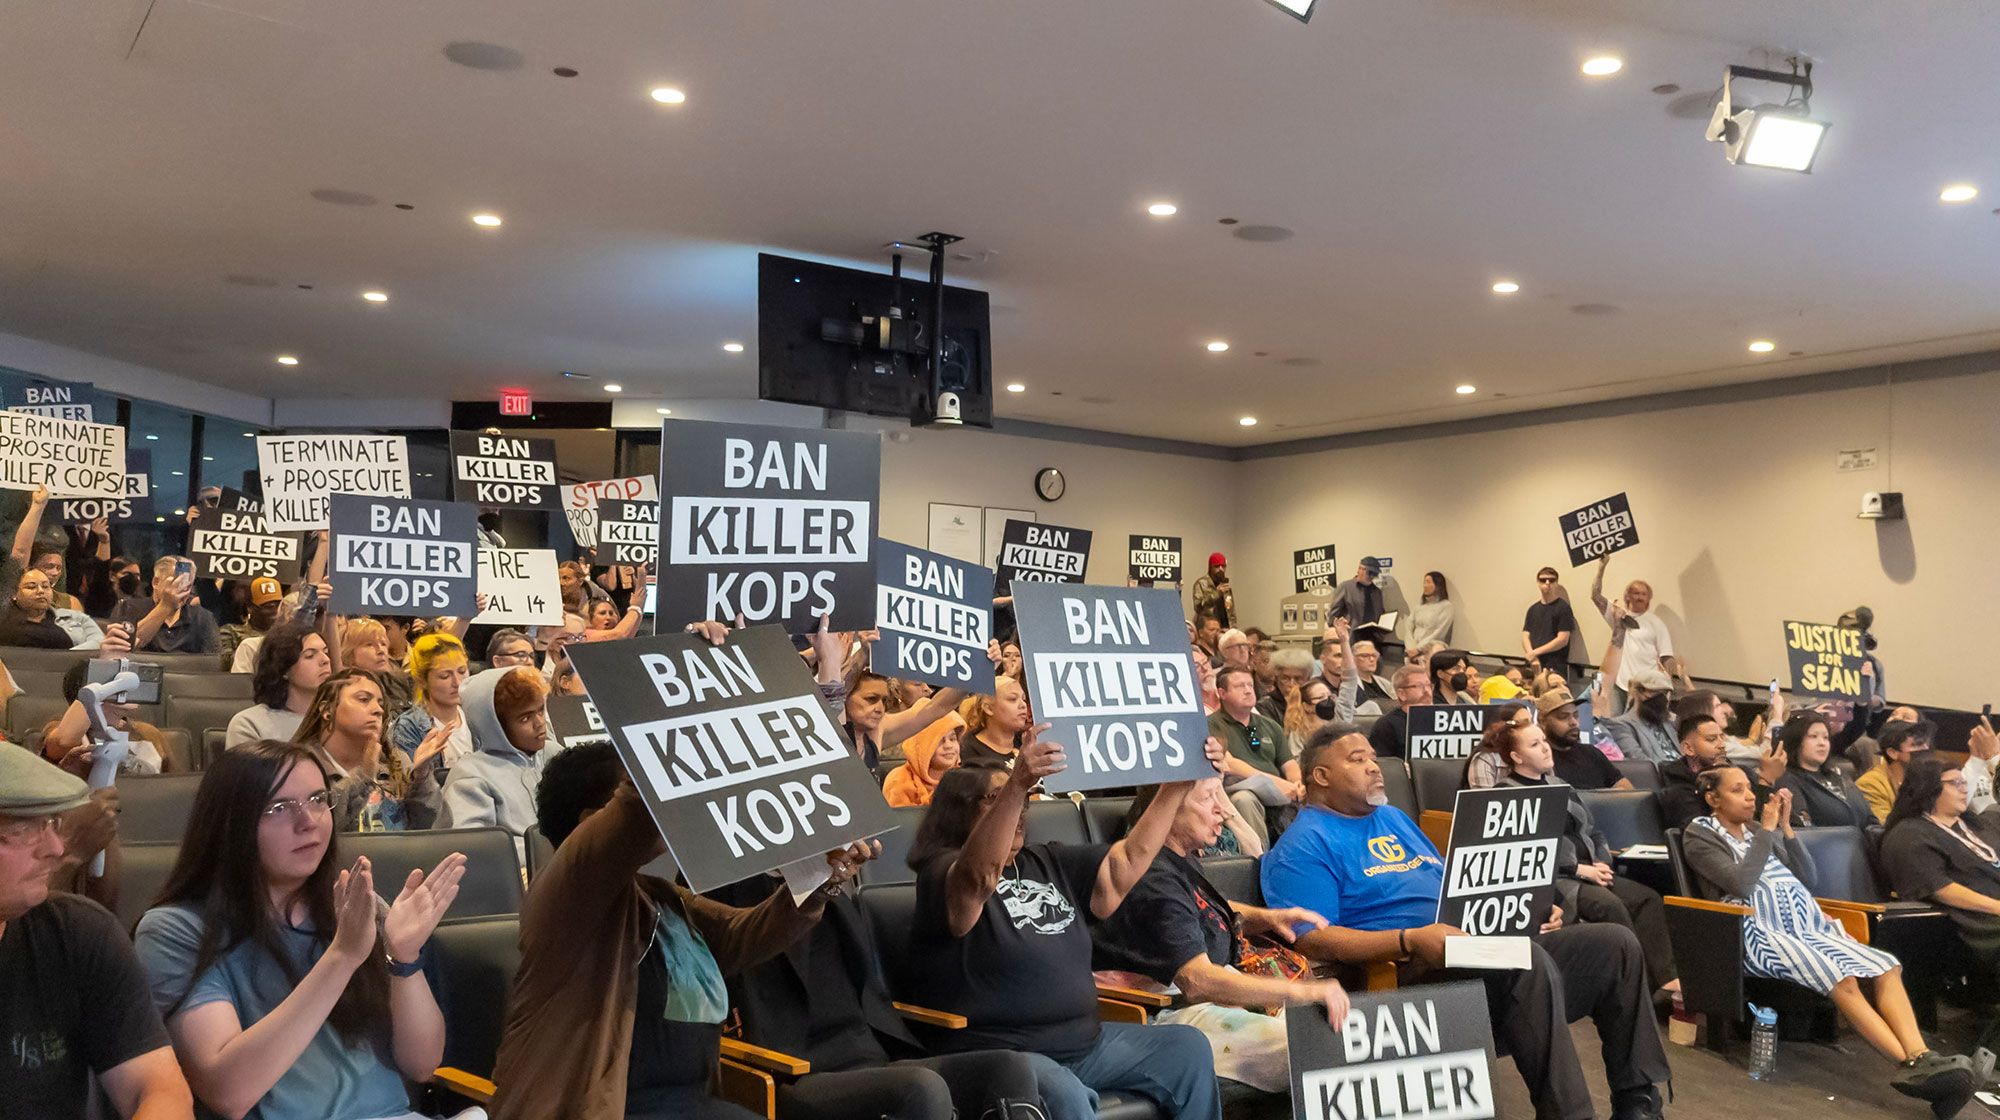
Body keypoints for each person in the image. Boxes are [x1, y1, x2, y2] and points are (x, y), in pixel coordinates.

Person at [1260, 723, 1670, 1120]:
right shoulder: (1303, 845)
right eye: (1357, 759)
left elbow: (1455, 888)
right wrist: (1409, 940)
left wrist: (1527, 908)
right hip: (1406, 975)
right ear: (1320, 776)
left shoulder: (1394, 820)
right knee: (1523, 960)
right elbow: (1315, 941)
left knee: (1614, 945)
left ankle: (1638, 1103)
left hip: (1475, 950)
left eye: (1372, 757)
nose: (1373, 766)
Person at [488, 738, 868, 1120]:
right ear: (591, 822)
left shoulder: (659, 895)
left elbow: (741, 935)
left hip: (693, 1102)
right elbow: (639, 811)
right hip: (605, 1108)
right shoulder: (568, 895)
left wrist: (816, 880)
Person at [902, 730, 1227, 1120]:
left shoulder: (1046, 861)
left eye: (1024, 801)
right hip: (1005, 1056)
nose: (1021, 810)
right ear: (959, 811)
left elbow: (1126, 862)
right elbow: (979, 875)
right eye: (998, 798)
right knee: (1063, 1093)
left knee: (1186, 1049)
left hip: (1089, 1046)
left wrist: (1176, 786)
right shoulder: (943, 873)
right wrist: (1018, 783)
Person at [133, 741, 467, 1120]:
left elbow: (423, 1065)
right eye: (279, 808)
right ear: (231, 823)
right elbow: (229, 1091)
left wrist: (403, 957)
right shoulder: (175, 930)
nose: (308, 821)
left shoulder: (353, 905)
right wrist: (341, 957)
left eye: (316, 799)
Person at [1689, 767, 1974, 1114]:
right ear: (1712, 799)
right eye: (1737, 790)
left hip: (1805, 923)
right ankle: (1911, 1066)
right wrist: (1766, 831)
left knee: (1886, 965)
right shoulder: (1700, 834)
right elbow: (1742, 884)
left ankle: (1922, 1056)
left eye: (1750, 788)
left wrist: (1786, 829)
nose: (1751, 796)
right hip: (1756, 930)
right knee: (1842, 977)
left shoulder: (1755, 831)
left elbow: (1808, 878)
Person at [1089, 777, 1349, 1096]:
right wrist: (1298, 994)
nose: (1222, 811)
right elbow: (1197, 982)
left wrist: (1267, 917)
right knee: (1324, 1050)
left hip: (1215, 1000)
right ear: (1167, 806)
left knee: (1343, 1035)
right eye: (1208, 798)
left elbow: (1200, 910)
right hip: (1170, 1016)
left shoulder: (1176, 858)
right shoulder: (1152, 878)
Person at [0, 742, 196, 1119]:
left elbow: (157, 1088)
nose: (56, 847)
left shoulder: (79, 933)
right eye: (25, 829)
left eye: (52, 823)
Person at [1494, 715, 1678, 995]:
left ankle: (1665, 981)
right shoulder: (1507, 794)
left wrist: (1602, 859)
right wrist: (1580, 869)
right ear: (1516, 756)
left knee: (1647, 900)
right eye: (1535, 744)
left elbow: (1593, 830)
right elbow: (1529, 850)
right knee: (1611, 906)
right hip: (1554, 881)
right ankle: (1633, 986)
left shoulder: (1559, 784)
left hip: (1593, 870)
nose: (1545, 748)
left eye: (1544, 741)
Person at [293, 669, 446, 832]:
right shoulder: (297, 769)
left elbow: (433, 829)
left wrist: (422, 777)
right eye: (364, 699)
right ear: (327, 710)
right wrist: (363, 777)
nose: (378, 710)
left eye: (380, 703)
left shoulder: (395, 761)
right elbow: (314, 830)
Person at [439, 666, 553, 838]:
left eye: (540, 710)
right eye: (525, 718)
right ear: (495, 727)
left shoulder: (555, 754)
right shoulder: (471, 774)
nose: (539, 723)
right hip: (519, 864)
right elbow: (475, 846)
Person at [41, 637, 174, 775]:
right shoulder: (58, 728)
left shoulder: (148, 733)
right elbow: (63, 741)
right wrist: (102, 681)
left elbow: (171, 783)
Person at [1210, 665, 1301, 847]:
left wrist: (1297, 784)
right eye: (1239, 686)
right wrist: (1279, 783)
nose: (1248, 690)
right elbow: (1230, 764)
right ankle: (1259, 861)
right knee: (1244, 799)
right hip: (1235, 787)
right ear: (1222, 693)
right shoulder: (1211, 724)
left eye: (1250, 685)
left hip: (1278, 790)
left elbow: (1289, 764)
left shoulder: (1269, 725)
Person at [1659, 713, 1784, 832]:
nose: (1721, 745)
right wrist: (1765, 780)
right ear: (1688, 748)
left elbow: (1772, 823)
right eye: (1712, 739)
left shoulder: (1742, 773)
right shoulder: (1678, 791)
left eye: (1722, 737)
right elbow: (1709, 834)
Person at [226, 622, 334, 748]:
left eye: (326, 652)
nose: (326, 660)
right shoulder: (249, 724)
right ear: (283, 668)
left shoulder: (340, 719)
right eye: (310, 656)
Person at [1590, 557, 1682, 704]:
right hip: (1618, 685)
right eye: (1636, 593)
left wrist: (1668, 686)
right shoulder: (1618, 616)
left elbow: (1667, 657)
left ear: (1649, 598)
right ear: (1627, 596)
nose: (1639, 597)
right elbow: (1595, 596)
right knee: (1615, 724)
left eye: (1643, 594)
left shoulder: (1656, 623)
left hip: (1644, 688)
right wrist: (1601, 567)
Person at [388, 633, 473, 777]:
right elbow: (406, 790)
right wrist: (419, 771)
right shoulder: (408, 727)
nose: (457, 682)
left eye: (462, 671)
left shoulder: (478, 714)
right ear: (422, 680)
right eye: (444, 676)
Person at [1776, 713, 1876, 828]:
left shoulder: (1839, 774)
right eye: (1813, 736)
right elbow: (1803, 829)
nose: (1822, 743)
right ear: (1796, 741)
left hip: (1863, 842)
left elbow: (1870, 818)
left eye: (1826, 737)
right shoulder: (1787, 780)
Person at [111, 556, 221, 655]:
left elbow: (214, 662)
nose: (182, 590)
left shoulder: (203, 617)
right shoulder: (129, 607)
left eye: (187, 586)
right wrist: (165, 606)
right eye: (175, 583)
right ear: (156, 582)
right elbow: (121, 648)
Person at [1541, 687, 1631, 790]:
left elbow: (1625, 786)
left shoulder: (1591, 753)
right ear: (1543, 722)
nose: (1573, 722)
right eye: (1563, 717)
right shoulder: (1541, 761)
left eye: (1576, 715)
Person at [1859, 720, 1935, 824]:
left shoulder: (1927, 779)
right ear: (1893, 753)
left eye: (1926, 744)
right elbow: (1885, 827)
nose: (1925, 749)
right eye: (1917, 744)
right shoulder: (1870, 784)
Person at [882, 711, 964, 808]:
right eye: (939, 740)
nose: (948, 745)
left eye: (952, 739)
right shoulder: (899, 780)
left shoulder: (966, 779)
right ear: (921, 747)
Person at [1598, 668, 1679, 765]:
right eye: (1655, 692)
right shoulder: (1620, 725)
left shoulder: (1670, 723)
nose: (1661, 699)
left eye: (1664, 693)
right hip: (1661, 776)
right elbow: (1641, 763)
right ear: (1638, 692)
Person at [340, 617, 416, 716]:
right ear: (348, 653)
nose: (381, 650)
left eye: (383, 644)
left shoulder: (404, 683)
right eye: (369, 644)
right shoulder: (339, 689)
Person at [0, 564, 81, 648]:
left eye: (45, 586)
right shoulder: (4, 624)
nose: (40, 591)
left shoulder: (64, 622)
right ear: (14, 593)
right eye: (31, 587)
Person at [959, 675, 1032, 770]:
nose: (1023, 705)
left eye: (1024, 699)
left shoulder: (1027, 741)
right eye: (1013, 699)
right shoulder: (968, 750)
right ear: (988, 708)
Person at [1522, 566, 1579, 682]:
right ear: (1538, 583)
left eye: (1551, 580)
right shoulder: (1533, 609)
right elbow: (1525, 635)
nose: (1547, 583)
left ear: (1556, 583)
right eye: (1543, 580)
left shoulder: (1563, 608)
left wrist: (1534, 653)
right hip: (1533, 665)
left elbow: (1562, 640)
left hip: (1555, 667)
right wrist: (1532, 657)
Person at [1366, 663, 1432, 760]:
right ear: (1401, 694)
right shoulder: (1387, 725)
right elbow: (1384, 764)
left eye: (1428, 685)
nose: (1427, 691)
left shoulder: (1442, 720)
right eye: (1419, 686)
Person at [220, 576, 285, 669]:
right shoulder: (230, 632)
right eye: (268, 606)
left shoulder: (288, 635)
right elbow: (226, 664)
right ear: (250, 607)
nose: (275, 610)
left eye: (278, 604)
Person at [1326, 557, 1384, 627]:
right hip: (1350, 635)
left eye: (1375, 574)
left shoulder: (1377, 593)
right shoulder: (1345, 588)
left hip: (1372, 636)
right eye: (1370, 572)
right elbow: (1332, 616)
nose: (1372, 576)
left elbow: (1380, 616)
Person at [1190, 552, 1236, 630]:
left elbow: (1230, 610)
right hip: (1208, 628)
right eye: (1217, 566)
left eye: (1223, 566)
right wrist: (1216, 594)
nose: (1221, 569)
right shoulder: (1201, 583)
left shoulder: (1224, 585)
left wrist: (1233, 628)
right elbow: (1198, 607)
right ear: (1210, 567)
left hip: (1225, 628)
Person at [1411, 570, 1455, 648]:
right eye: (1424, 582)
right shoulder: (1420, 605)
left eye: (1428, 582)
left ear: (1438, 585)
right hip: (1413, 648)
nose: (1425, 585)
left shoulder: (1446, 606)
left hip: (1431, 648)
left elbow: (1439, 632)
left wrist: (1419, 648)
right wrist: (1410, 645)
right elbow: (1409, 625)